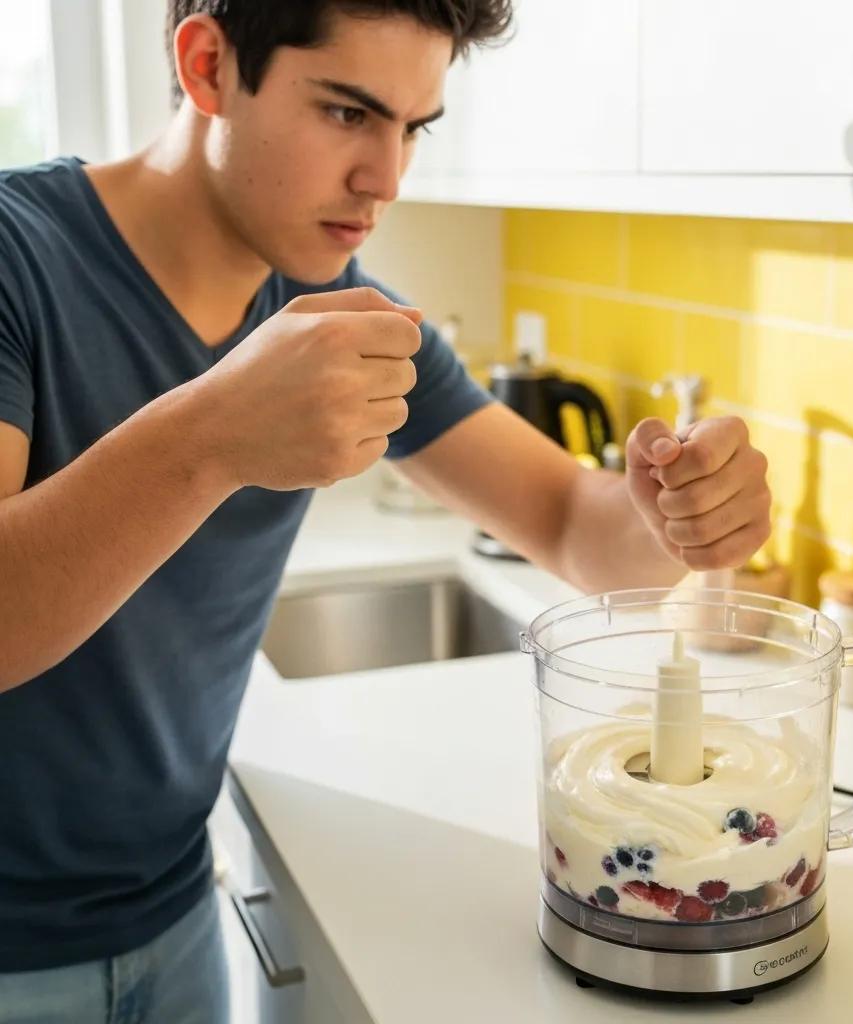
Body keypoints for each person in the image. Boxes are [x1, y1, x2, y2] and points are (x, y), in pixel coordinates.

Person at [0, 1, 771, 1019]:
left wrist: (673, 512)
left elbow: (579, 530)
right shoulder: (19, 257)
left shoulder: (332, 303)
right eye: (347, 113)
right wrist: (211, 433)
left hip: (170, 909)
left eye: (414, 127)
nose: (387, 178)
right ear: (208, 65)